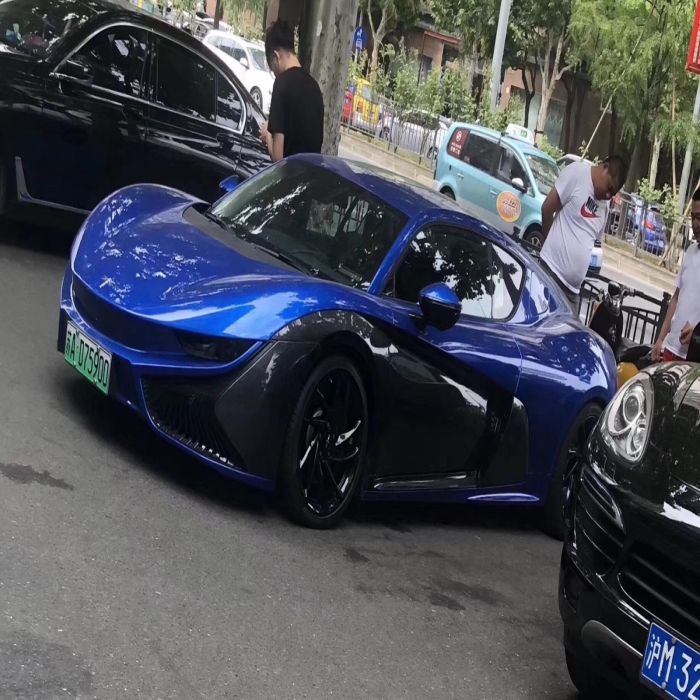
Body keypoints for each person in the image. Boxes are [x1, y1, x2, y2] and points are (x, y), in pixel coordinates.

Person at [539, 155, 628, 308]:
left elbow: (591, 240)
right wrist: (549, 247)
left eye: (612, 194)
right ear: (605, 168)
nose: (608, 195)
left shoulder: (605, 206)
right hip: (551, 274)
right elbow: (547, 208)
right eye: (609, 187)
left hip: (573, 290)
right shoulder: (577, 174)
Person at [261, 20, 324, 162]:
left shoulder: (282, 84)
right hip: (312, 173)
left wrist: (267, 135)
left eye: (272, 68)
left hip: (290, 175)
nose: (274, 73)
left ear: (276, 56)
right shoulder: (314, 87)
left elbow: (278, 159)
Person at [652, 189, 700, 361]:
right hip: (671, 348)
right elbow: (676, 297)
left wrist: (696, 333)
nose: (695, 224)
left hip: (692, 357)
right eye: (693, 217)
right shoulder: (690, 251)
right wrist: (660, 339)